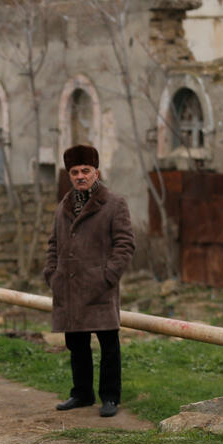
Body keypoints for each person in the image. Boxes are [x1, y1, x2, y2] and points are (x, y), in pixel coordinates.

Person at [43, 144, 135, 418]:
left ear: (96, 171)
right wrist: (52, 274)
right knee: (77, 345)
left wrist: (107, 277)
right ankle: (81, 393)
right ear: (69, 174)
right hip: (69, 289)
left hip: (100, 289)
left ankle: (110, 397)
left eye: (85, 171)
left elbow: (125, 245)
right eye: (74, 172)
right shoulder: (64, 206)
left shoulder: (114, 204)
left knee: (109, 346)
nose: (80, 176)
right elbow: (53, 244)